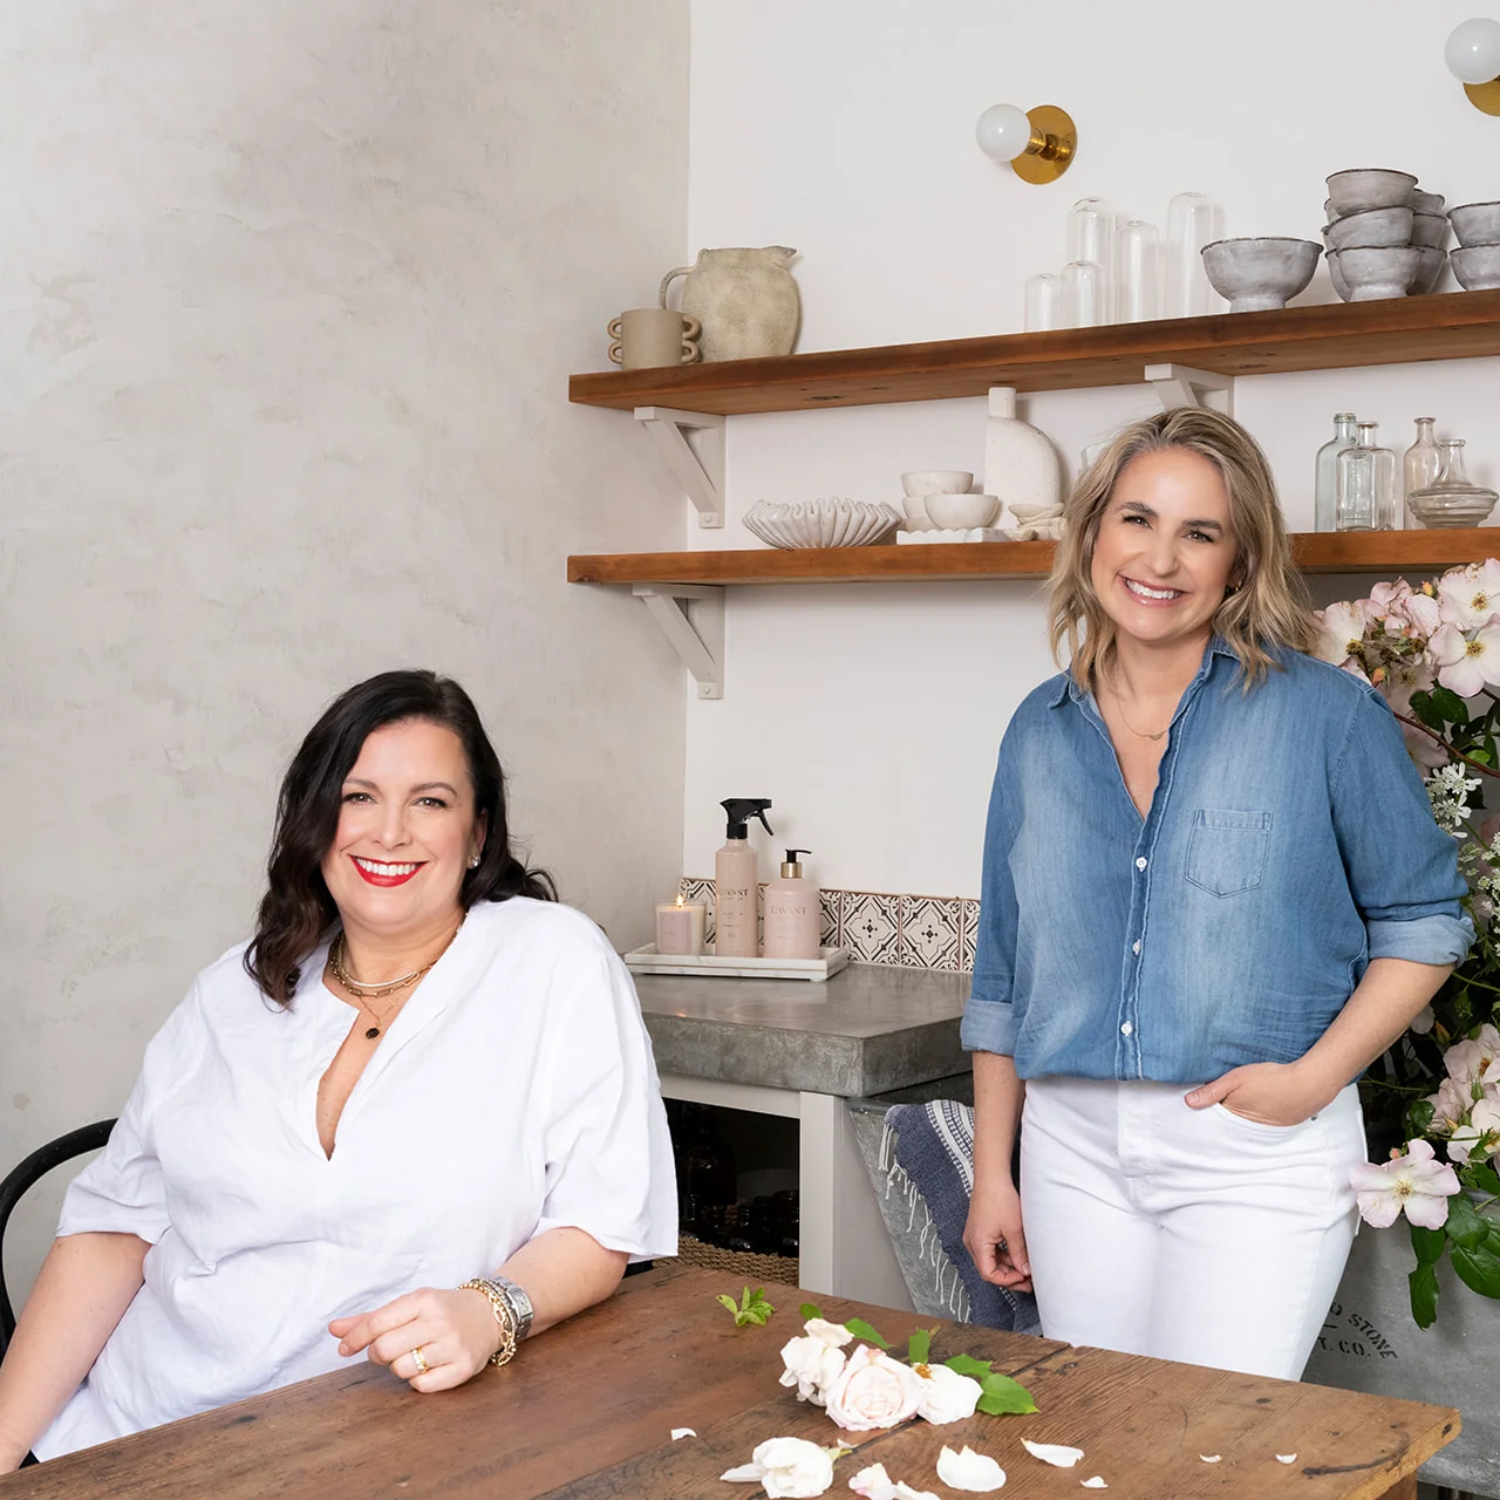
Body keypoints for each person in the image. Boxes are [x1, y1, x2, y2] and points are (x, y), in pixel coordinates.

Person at [0, 670, 676, 1467]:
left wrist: (494, 1308)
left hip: (392, 1446)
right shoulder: (230, 990)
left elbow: (599, 1221)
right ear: (317, 822)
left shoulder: (552, 961)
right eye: (359, 797)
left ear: (480, 833)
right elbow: (115, 1230)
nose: (389, 833)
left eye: (430, 801)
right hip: (145, 1433)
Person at [960, 408, 1471, 1380]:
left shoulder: (1326, 715)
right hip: (1069, 1147)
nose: (1162, 557)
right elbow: (1004, 972)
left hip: (1255, 1147)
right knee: (1100, 1439)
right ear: (1093, 536)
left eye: (1201, 532)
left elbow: (1426, 923)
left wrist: (1314, 1082)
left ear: (1240, 563)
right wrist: (997, 1173)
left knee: (1216, 1459)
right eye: (1138, 520)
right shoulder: (1038, 728)